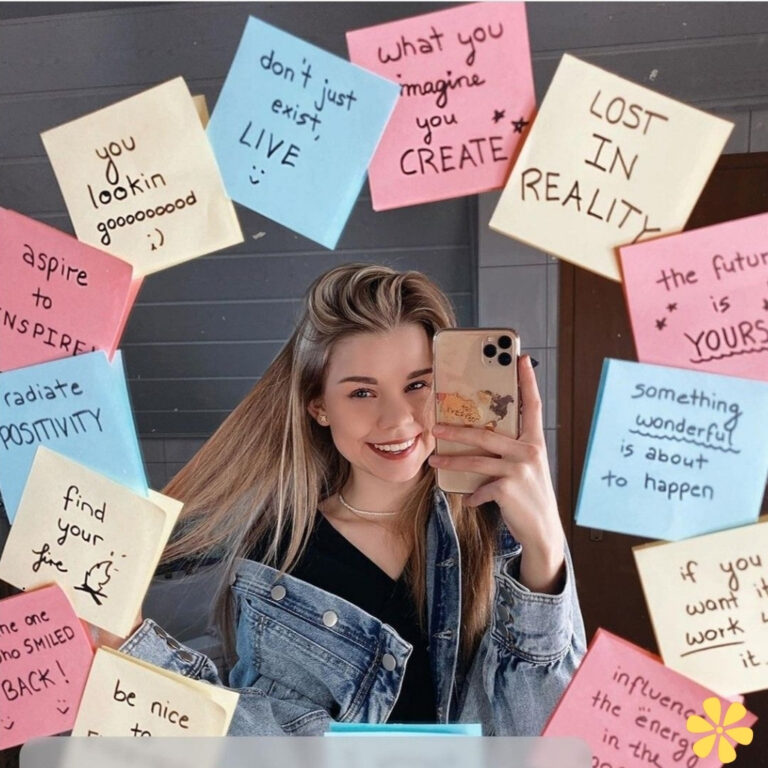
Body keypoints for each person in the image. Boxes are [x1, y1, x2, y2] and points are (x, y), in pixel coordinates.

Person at [112, 263, 586, 735]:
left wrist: (544, 547)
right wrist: (129, 643)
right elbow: (254, 744)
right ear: (319, 406)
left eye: (418, 384)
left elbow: (555, 738)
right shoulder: (281, 558)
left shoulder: (505, 533)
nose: (396, 419)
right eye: (362, 392)